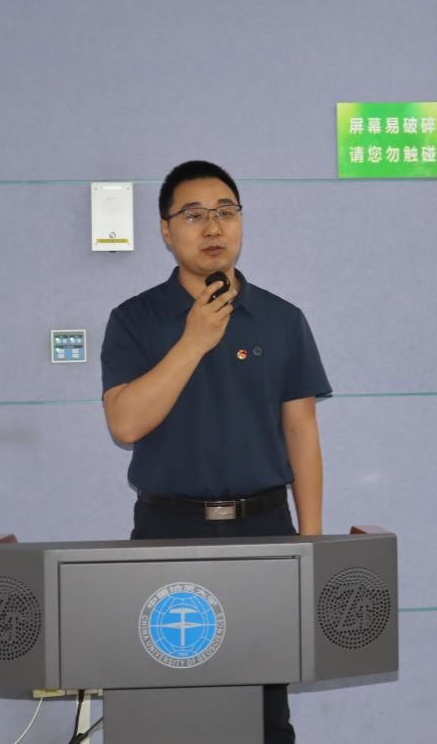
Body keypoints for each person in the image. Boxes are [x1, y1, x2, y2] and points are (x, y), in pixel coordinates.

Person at [100, 159, 330, 743]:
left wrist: (311, 545)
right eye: (194, 215)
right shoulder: (134, 319)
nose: (213, 227)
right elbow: (125, 423)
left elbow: (301, 433)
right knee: (165, 711)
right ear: (165, 230)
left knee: (265, 712)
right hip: (167, 530)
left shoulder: (281, 319)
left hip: (265, 530)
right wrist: (193, 340)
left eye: (226, 212)